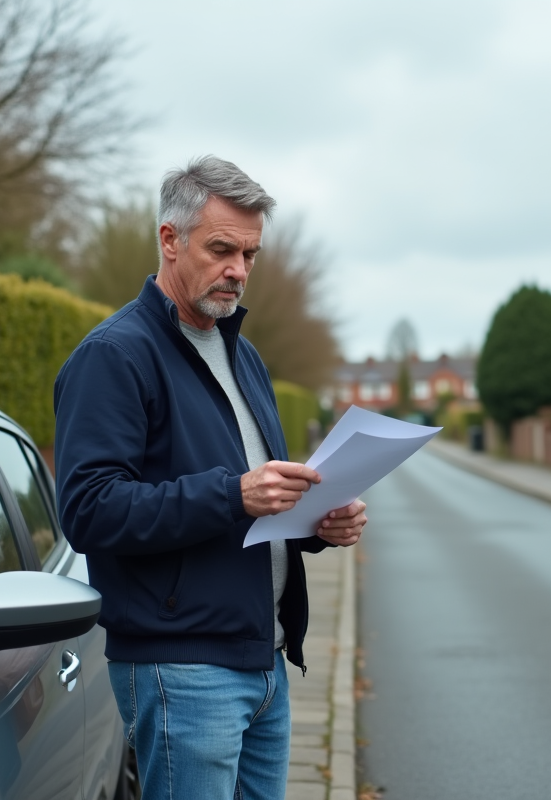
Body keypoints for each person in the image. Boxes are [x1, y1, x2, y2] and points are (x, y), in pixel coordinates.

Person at [53, 155, 367, 800]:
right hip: (181, 669)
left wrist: (318, 523)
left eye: (250, 254)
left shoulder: (241, 352)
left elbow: (258, 504)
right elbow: (88, 510)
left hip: (264, 661)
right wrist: (233, 494)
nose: (238, 271)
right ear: (170, 240)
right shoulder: (113, 357)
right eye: (222, 249)